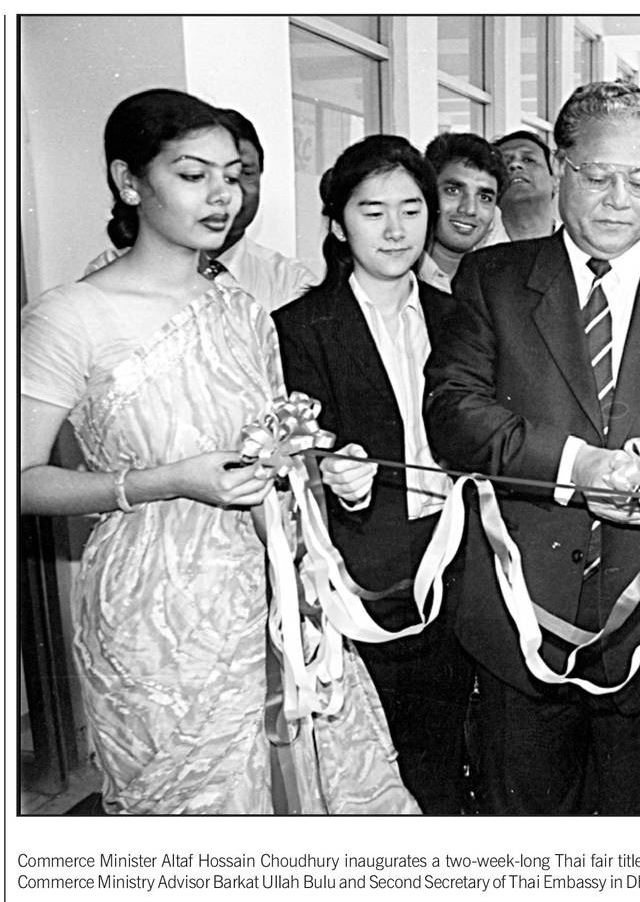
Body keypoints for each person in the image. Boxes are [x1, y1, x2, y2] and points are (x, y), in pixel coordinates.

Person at [20, 88, 415, 814]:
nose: (221, 195)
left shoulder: (241, 309)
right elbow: (20, 480)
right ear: (129, 181)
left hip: (271, 582)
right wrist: (166, 480)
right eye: (192, 175)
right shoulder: (70, 315)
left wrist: (324, 472)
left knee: (320, 786)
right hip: (155, 607)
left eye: (230, 175)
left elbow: (270, 447)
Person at [424, 80, 640, 815]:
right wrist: (578, 467)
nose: (618, 200)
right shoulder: (495, 280)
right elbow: (454, 413)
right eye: (598, 176)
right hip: (519, 621)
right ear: (560, 168)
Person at [273, 135, 474, 814]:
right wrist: (329, 469)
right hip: (363, 569)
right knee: (379, 757)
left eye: (411, 210)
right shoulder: (300, 327)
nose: (395, 230)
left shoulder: (459, 318)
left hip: (460, 559)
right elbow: (293, 451)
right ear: (337, 225)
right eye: (372, 211)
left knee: (448, 744)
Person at [85, 107, 316, 311]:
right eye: (197, 175)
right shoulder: (110, 272)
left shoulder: (290, 281)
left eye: (241, 173)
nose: (224, 193)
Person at [418, 132, 508, 292]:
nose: (469, 209)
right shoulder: (397, 277)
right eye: (453, 190)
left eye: (484, 197)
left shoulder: (503, 287)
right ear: (426, 191)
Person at [495, 129, 559, 240]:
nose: (515, 164)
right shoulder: (475, 246)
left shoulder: (580, 243)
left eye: (528, 160)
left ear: (554, 181)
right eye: (504, 162)